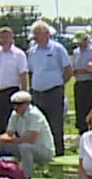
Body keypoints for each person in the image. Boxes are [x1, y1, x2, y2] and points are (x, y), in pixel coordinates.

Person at [27, 21, 72, 157]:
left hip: (54, 91)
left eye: (38, 34)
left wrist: (59, 83)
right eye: (34, 34)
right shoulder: (32, 51)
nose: (35, 37)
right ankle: (43, 154)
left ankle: (58, 153)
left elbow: (68, 70)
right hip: (37, 92)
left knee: (55, 124)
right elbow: (31, 71)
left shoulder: (57, 49)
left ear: (46, 34)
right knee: (39, 124)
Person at [0, 90, 55, 179]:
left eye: (19, 104)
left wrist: (9, 139)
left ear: (27, 104)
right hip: (24, 148)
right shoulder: (14, 114)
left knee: (25, 147)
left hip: (44, 151)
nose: (16, 107)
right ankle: (5, 171)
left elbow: (31, 139)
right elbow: (9, 134)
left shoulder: (35, 115)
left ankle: (27, 176)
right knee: (3, 145)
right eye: (14, 104)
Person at [0, 26, 28, 136]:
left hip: (12, 91)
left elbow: (23, 75)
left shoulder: (19, 54)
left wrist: (24, 95)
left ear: (12, 37)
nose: (5, 39)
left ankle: (14, 146)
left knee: (12, 121)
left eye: (7, 36)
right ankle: (1, 147)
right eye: (2, 37)